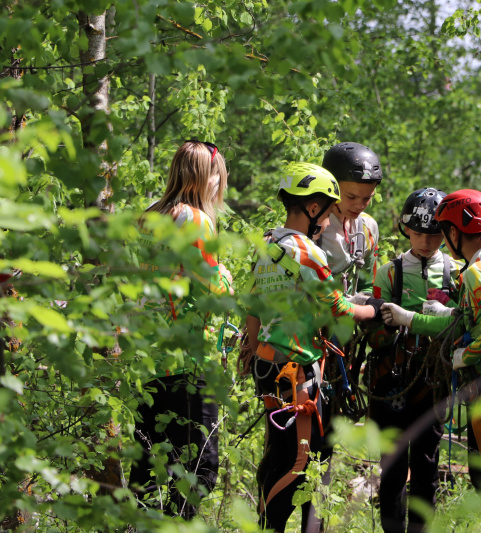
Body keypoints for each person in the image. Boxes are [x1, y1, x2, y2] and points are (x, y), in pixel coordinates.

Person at [243, 162, 384, 533]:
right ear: (313, 207)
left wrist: (255, 353)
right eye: (326, 208)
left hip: (269, 367)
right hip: (298, 374)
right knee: (298, 461)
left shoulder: (269, 245)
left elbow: (253, 308)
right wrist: (374, 310)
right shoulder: (306, 252)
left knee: (283, 453)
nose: (326, 217)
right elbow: (337, 307)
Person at [381, 190, 481, 531]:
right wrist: (411, 319)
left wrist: (468, 355)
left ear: (453, 233)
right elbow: (464, 322)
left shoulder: (476, 273)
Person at [130, 140, 234, 519]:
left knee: (149, 468)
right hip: (188, 363)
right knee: (198, 470)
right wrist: (226, 277)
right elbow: (208, 285)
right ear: (209, 177)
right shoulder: (194, 219)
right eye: (219, 174)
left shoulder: (148, 217)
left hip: (148, 361)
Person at [369, 188, 460, 533]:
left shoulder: (455, 274)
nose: (426, 241)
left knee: (426, 466)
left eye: (435, 234)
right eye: (419, 233)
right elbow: (372, 336)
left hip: (433, 384)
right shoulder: (388, 274)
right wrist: (387, 328)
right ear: (406, 229)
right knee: (392, 468)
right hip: (391, 381)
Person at [316, 142, 383, 296]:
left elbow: (367, 284)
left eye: (367, 198)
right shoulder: (310, 226)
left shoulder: (368, 227)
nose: (360, 205)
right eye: (351, 197)